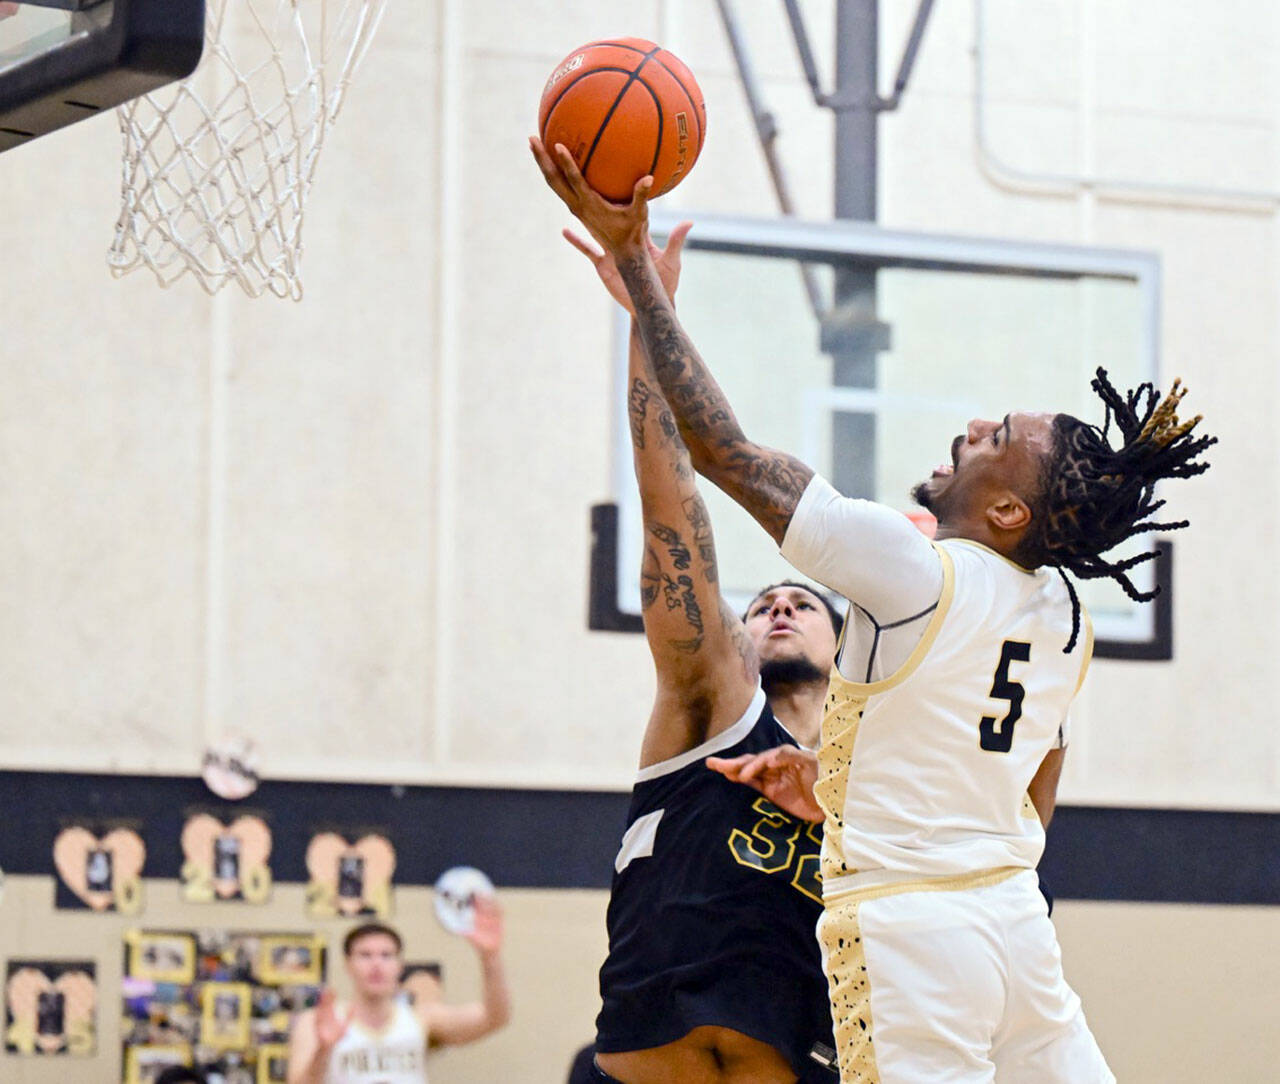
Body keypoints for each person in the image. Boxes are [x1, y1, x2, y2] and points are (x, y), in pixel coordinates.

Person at [531, 137, 1215, 1083]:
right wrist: (864, 793)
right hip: (1014, 919)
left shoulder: (914, 572)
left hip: (911, 927)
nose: (972, 426)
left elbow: (723, 452)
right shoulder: (1065, 616)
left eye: (998, 438)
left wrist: (643, 281)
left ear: (1010, 510)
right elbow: (1039, 760)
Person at [563, 218, 839, 1083]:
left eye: (803, 600)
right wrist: (651, 313)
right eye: (763, 603)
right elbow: (671, 509)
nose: (782, 604)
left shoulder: (879, 776)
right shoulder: (713, 706)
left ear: (848, 644)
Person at [286, 903, 511, 1084]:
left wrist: (490, 958)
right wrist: (324, 1050)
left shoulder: (421, 1018)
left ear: (399, 966)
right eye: (365, 955)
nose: (376, 965)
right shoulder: (315, 1022)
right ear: (348, 965)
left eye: (386, 955)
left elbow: (494, 1018)